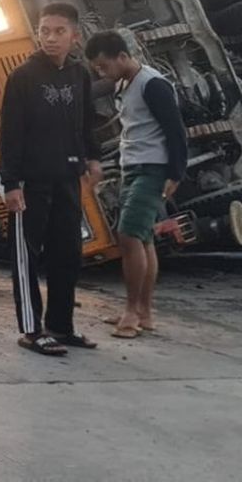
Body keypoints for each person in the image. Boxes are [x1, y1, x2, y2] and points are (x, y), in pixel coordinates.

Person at [0, 1, 102, 357]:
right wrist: (10, 183)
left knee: (68, 254)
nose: (50, 38)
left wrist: (93, 157)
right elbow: (10, 134)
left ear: (75, 36)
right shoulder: (23, 77)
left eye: (59, 32)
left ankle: (61, 325)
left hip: (68, 178)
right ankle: (31, 329)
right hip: (30, 183)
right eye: (44, 31)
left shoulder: (79, 74)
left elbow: (86, 121)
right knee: (27, 256)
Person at [85, 31, 188, 339]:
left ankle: (132, 312)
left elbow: (176, 130)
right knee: (143, 240)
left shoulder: (152, 84)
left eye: (104, 66)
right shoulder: (123, 83)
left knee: (127, 235)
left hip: (153, 169)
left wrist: (175, 174)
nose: (103, 73)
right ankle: (144, 312)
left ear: (122, 56)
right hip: (132, 167)